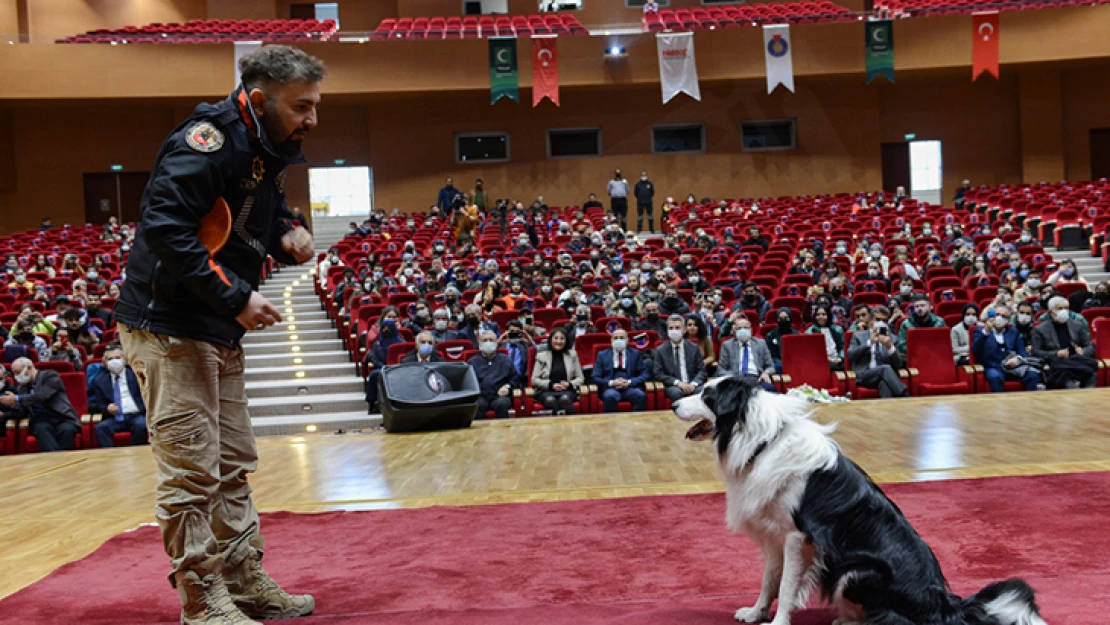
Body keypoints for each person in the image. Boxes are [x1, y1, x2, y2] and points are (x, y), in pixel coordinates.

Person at [112, 45, 321, 623]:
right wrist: (236, 296)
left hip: (215, 329)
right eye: (301, 106)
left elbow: (258, 208)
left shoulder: (268, 146)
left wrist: (288, 230)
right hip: (170, 328)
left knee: (232, 462)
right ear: (259, 99)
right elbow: (163, 227)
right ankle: (202, 601)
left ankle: (244, 579)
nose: (312, 119)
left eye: (315, 105)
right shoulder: (208, 138)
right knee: (191, 471)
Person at [0, 358, 81, 452]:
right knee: (41, 429)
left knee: (67, 430)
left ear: (29, 368)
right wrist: (14, 405)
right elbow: (22, 411)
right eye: (13, 373)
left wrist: (18, 398)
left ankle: (64, 460)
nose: (16, 377)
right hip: (41, 420)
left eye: (18, 372)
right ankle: (55, 460)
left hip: (62, 417)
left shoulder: (50, 376)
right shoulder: (22, 388)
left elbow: (42, 396)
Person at [971, 305, 1042, 393]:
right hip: (993, 367)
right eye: (997, 315)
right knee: (995, 376)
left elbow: (1023, 353)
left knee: (1033, 375)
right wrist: (986, 332)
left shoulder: (1013, 332)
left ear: (1008, 320)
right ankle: (1000, 405)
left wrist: (1018, 359)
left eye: (1003, 316)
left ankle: (1030, 403)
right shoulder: (980, 331)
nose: (999, 318)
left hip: (1013, 368)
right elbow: (975, 350)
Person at [1031, 296, 1098, 389]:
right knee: (1062, 371)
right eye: (1060, 308)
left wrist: (1083, 351)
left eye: (1066, 308)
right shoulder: (1040, 329)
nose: (1064, 311)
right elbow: (1036, 352)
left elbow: (1090, 345)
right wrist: (1056, 353)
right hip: (1057, 361)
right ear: (1051, 312)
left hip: (1076, 359)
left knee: (1092, 371)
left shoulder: (1077, 325)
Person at [90, 343, 148, 447]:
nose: (114, 361)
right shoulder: (99, 380)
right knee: (100, 428)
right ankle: (110, 457)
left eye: (117, 358)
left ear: (124, 359)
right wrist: (107, 408)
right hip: (115, 418)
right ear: (104, 362)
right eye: (110, 359)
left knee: (141, 425)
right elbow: (99, 404)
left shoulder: (136, 375)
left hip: (135, 415)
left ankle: (136, 454)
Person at [846, 318, 908, 398]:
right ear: (871, 321)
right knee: (885, 368)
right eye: (878, 319)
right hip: (864, 375)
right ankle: (904, 395)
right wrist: (869, 343)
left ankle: (886, 409)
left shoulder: (892, 338)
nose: (881, 322)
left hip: (885, 376)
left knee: (884, 384)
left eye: (884, 320)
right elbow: (850, 355)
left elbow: (898, 364)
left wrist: (890, 347)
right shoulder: (858, 336)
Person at [654, 315, 707, 405]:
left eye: (677, 327)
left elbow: (702, 371)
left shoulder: (694, 348)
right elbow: (658, 373)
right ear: (667, 331)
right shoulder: (661, 350)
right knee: (676, 393)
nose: (674, 330)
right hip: (674, 386)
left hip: (692, 383)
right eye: (671, 328)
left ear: (684, 330)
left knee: (702, 391)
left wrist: (693, 384)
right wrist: (678, 383)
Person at [592, 329, 648, 413]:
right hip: (611, 388)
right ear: (611, 340)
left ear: (627, 340)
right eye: (616, 338)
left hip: (630, 387)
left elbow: (645, 374)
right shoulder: (602, 355)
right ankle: (611, 424)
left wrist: (629, 382)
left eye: (622, 338)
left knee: (641, 396)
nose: (618, 340)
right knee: (609, 396)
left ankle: (637, 424)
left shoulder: (635, 354)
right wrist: (611, 383)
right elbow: (595, 377)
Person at [531, 328, 584, 415]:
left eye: (562, 338)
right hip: (546, 391)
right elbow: (534, 380)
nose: (558, 341)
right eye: (555, 338)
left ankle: (571, 424)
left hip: (567, 390)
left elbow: (580, 378)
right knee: (550, 400)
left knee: (565, 399)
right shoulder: (541, 356)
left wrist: (569, 384)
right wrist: (551, 385)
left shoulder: (572, 355)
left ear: (566, 341)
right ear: (550, 340)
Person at [467, 330, 518, 419]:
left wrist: (507, 387)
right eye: (485, 340)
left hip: (500, 396)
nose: (488, 343)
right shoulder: (472, 362)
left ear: (496, 342)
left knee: (502, 404)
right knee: (477, 405)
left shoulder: (506, 360)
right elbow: (468, 382)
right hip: (481, 396)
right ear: (480, 343)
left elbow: (515, 378)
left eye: (491, 340)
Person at [716, 318, 776, 393]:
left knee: (770, 389)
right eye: (739, 328)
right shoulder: (727, 345)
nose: (743, 330)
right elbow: (721, 370)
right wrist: (733, 377)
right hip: (736, 379)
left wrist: (766, 373)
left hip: (756, 378)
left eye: (745, 328)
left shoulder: (761, 344)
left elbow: (770, 366)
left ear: (751, 330)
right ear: (734, 331)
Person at [806, 304, 844, 371]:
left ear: (828, 316)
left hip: (837, 359)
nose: (821, 317)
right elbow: (810, 352)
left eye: (824, 314)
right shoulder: (810, 332)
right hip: (820, 361)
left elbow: (843, 347)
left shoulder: (837, 329)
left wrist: (840, 357)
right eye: (818, 315)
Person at [763, 307, 796, 374]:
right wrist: (782, 362)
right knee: (778, 366)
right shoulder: (771, 336)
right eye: (780, 318)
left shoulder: (797, 335)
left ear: (790, 318)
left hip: (794, 361)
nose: (783, 320)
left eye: (786, 318)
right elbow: (770, 355)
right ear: (777, 319)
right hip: (777, 363)